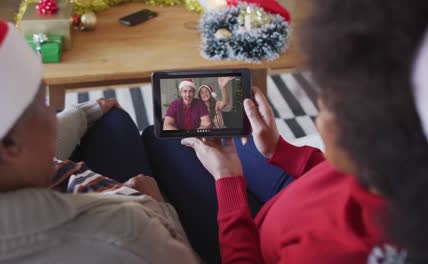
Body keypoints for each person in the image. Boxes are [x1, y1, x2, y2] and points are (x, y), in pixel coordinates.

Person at [142, 0, 428, 263]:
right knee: (173, 137)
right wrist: (280, 150)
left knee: (160, 140)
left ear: (378, 143)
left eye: (332, 101)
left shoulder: (327, 253)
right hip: (295, 196)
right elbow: (333, 171)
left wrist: (228, 180)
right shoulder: (392, 174)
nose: (320, 101)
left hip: (249, 238)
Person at [0, 4, 199, 263]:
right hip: (141, 214)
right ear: (8, 143)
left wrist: (81, 115)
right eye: (44, 102)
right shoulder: (125, 234)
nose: (54, 113)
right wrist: (157, 207)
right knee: (154, 136)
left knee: (112, 117)